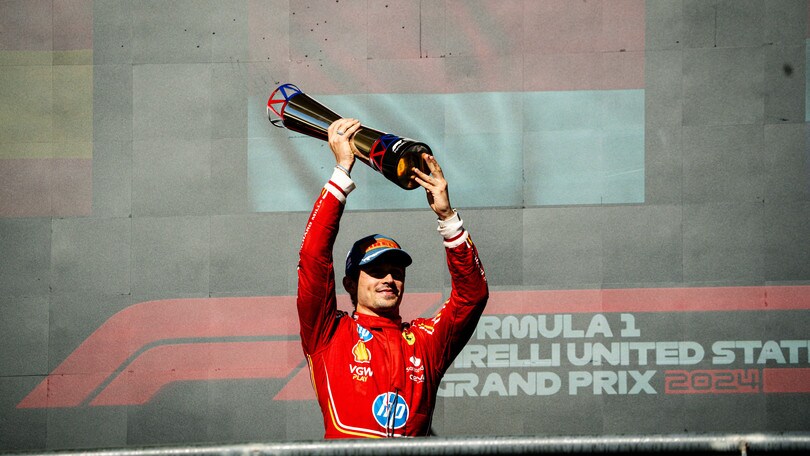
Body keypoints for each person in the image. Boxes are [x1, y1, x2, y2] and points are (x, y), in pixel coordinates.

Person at [296, 118, 488, 438]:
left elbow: (472, 296)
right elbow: (313, 259)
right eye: (375, 271)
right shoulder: (329, 333)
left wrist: (447, 217)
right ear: (349, 284)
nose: (388, 278)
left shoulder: (425, 342)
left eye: (396, 272)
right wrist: (341, 172)